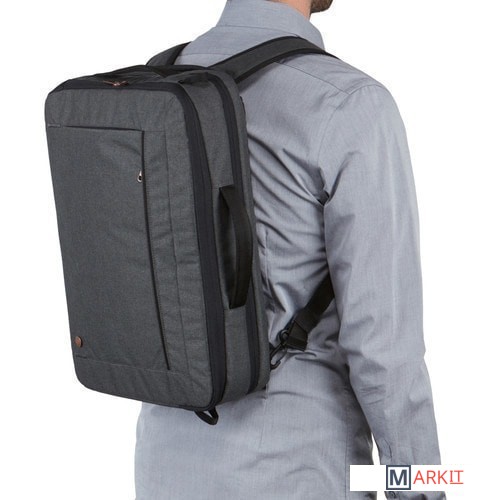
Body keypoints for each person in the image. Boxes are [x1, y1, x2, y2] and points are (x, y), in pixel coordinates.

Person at [135, 1, 444, 498]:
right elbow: (385, 356)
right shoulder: (349, 104)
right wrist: (422, 487)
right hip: (298, 471)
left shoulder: (155, 86)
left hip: (161, 466)